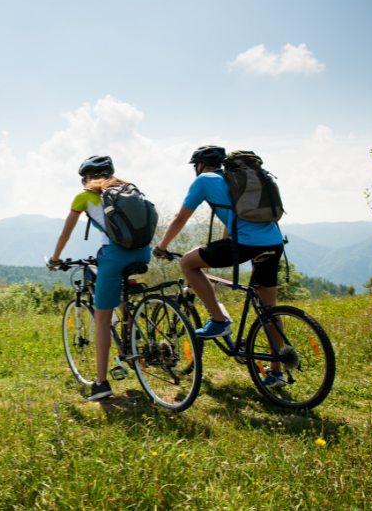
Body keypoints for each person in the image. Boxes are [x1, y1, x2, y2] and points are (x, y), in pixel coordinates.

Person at [152, 146, 287, 388]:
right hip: (274, 242)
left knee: (188, 263)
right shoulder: (235, 179)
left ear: (200, 165)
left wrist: (161, 247)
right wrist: (222, 243)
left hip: (245, 244)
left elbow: (180, 218)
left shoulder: (204, 180)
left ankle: (218, 320)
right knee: (269, 308)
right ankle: (275, 370)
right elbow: (232, 217)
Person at [48, 155, 152, 400]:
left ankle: (101, 383)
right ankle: (133, 332)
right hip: (143, 252)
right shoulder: (127, 191)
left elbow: (65, 234)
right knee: (116, 289)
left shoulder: (84, 197)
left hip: (115, 256)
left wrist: (55, 259)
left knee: (102, 320)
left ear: (86, 177)